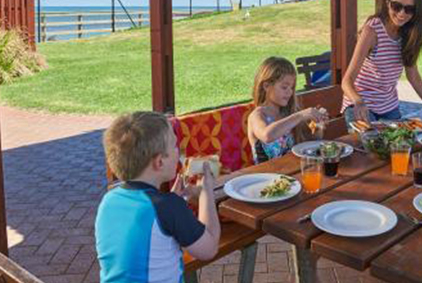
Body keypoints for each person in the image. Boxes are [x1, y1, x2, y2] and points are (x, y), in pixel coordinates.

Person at [96, 111, 220, 282]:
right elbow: (210, 248)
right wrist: (207, 192)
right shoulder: (168, 207)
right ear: (159, 162)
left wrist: (174, 199)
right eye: (175, 146)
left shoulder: (108, 201)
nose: (179, 152)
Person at [342, 0, 422, 124]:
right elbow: (346, 81)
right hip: (361, 105)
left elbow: (414, 77)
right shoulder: (372, 31)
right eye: (396, 6)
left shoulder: (409, 33)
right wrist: (358, 102)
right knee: (370, 145)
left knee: (402, 144)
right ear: (387, 4)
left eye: (409, 9)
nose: (402, 13)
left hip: (389, 106)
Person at [248, 57, 329, 164]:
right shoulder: (257, 115)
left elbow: (312, 139)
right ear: (267, 86)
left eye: (292, 88)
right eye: (284, 87)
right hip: (265, 176)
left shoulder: (287, 113)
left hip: (290, 173)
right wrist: (300, 115)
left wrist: (318, 126)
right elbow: (267, 135)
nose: (290, 92)